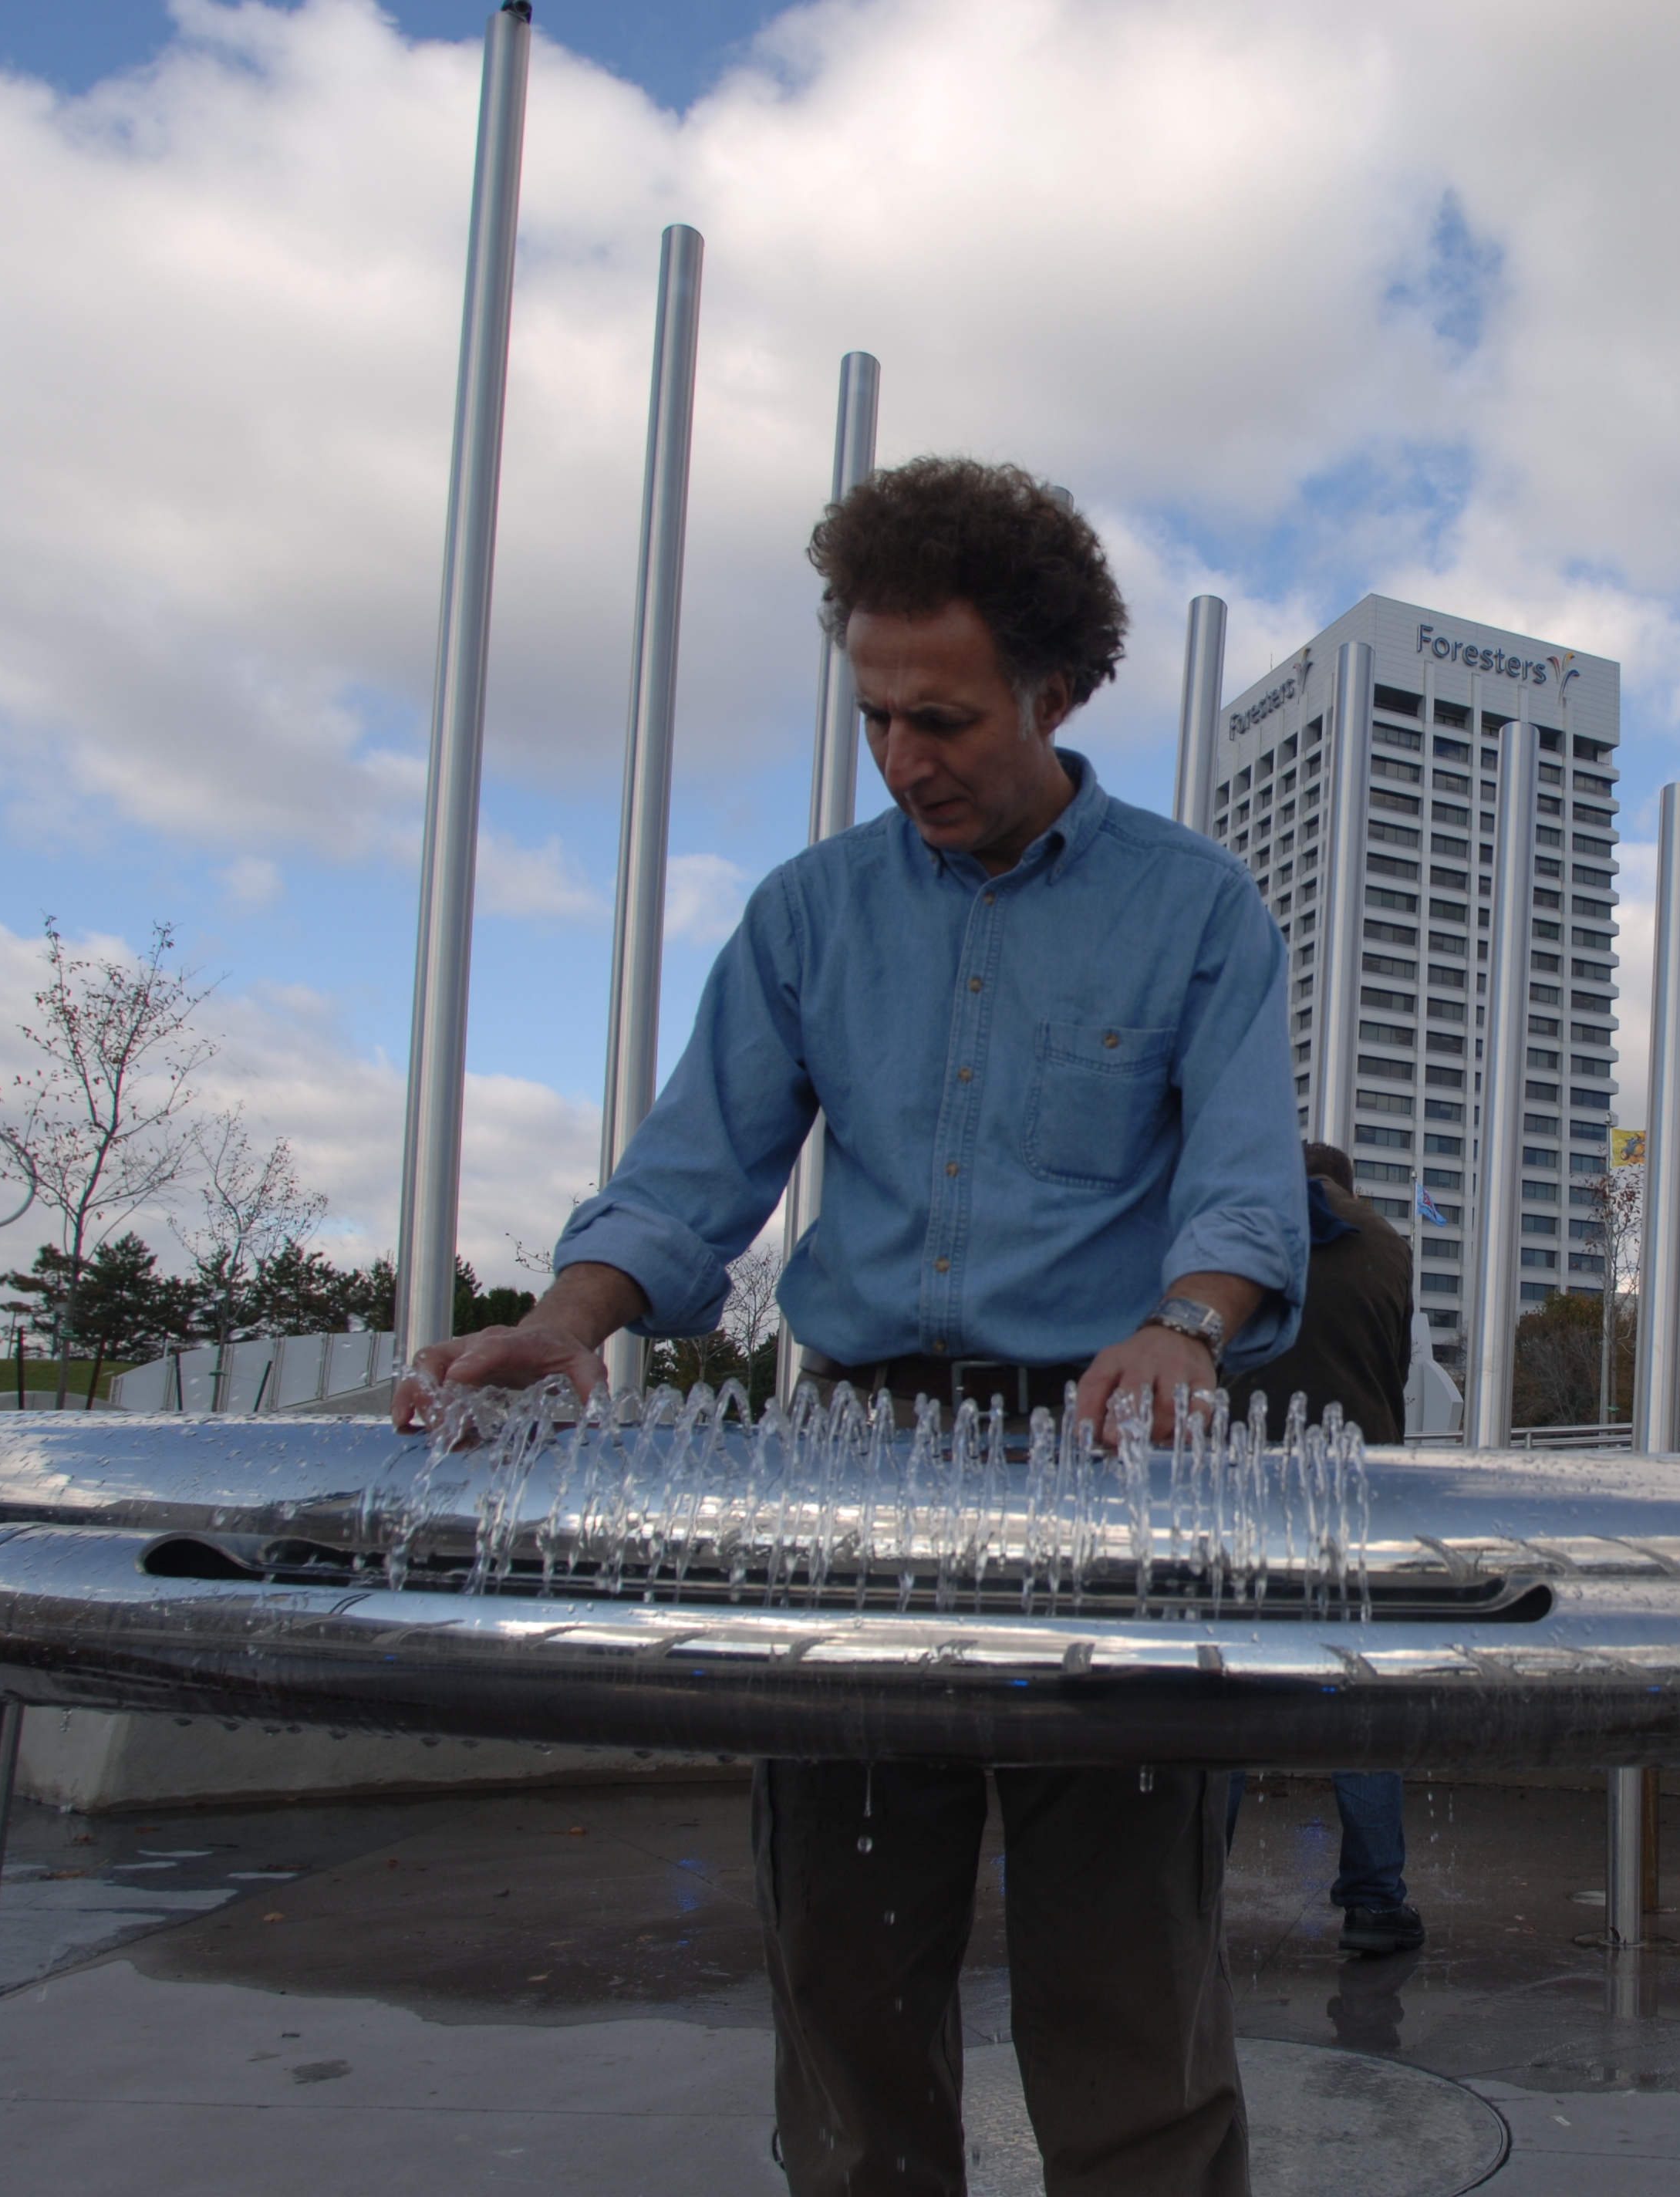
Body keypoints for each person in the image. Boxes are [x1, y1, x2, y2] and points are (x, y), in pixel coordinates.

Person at [403, 456, 1307, 2197]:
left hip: (1105, 1462)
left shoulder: (1195, 907)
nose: (903, 758)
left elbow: (1247, 1191)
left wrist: (1187, 1325)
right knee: (844, 1964)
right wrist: (568, 1316)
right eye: (876, 714)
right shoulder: (807, 912)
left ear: (1057, 691)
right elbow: (691, 1170)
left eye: (943, 717)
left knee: (1129, 1982)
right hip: (854, 1464)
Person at [1230, 1141, 1424, 1956]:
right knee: (1359, 1705)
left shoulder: (1249, 1230)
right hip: (1354, 1497)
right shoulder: (1388, 1248)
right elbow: (1393, 1371)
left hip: (1246, 1494)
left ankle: (1190, 1887)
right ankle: (1376, 1901)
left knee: (1226, 1701)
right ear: (1348, 1186)